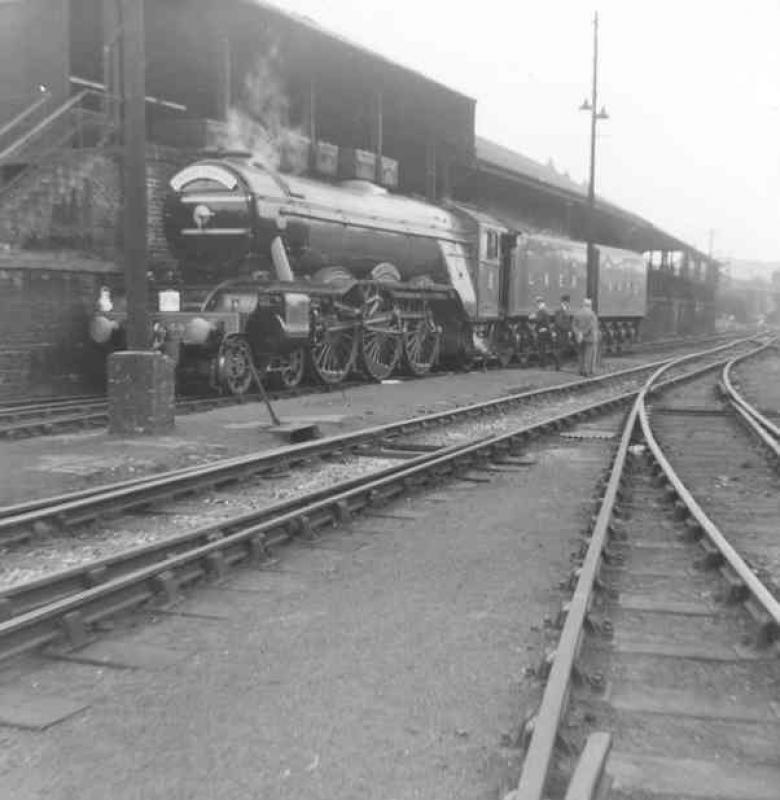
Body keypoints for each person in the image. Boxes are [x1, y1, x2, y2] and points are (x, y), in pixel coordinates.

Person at [572, 298, 600, 377]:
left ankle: (580, 370)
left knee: (581, 354)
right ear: (589, 305)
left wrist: (579, 333)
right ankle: (587, 371)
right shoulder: (592, 314)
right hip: (590, 338)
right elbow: (591, 326)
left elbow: (574, 325)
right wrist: (584, 333)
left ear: (583, 304)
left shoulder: (577, 313)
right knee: (589, 355)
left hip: (580, 338)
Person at [530, 296, 558, 369]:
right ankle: (549, 364)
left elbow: (539, 320)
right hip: (545, 331)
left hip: (543, 331)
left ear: (540, 303)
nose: (537, 304)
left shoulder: (542, 310)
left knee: (542, 349)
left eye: (538, 302)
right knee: (544, 348)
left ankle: (544, 364)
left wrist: (533, 317)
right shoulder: (543, 310)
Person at [553, 294, 573, 362]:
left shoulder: (564, 309)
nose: (568, 304)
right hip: (561, 333)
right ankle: (558, 365)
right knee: (560, 349)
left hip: (564, 333)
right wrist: (568, 329)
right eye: (568, 302)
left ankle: (560, 363)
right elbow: (559, 322)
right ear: (565, 302)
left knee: (563, 348)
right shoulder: (559, 310)